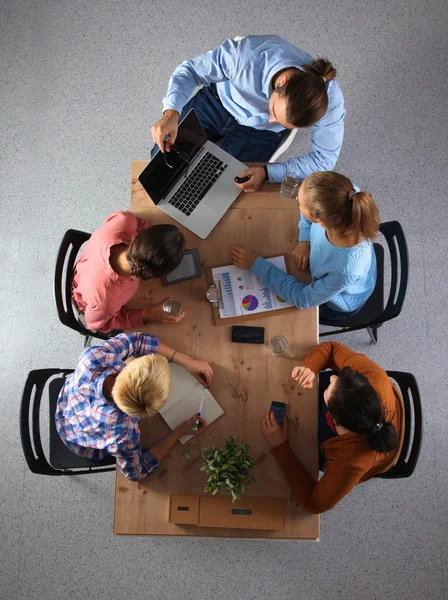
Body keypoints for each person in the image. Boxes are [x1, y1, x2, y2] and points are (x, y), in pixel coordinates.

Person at [151, 35, 345, 193]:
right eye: (274, 112)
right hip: (217, 102)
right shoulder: (245, 57)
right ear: (283, 82)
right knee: (160, 161)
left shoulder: (328, 102)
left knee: (224, 189)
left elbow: (324, 159)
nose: (269, 120)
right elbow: (190, 71)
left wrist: (267, 173)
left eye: (281, 122)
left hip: (260, 134)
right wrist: (171, 114)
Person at [261, 341, 404, 513]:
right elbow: (331, 348)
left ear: (335, 422)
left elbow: (314, 504)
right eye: (340, 378)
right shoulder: (374, 377)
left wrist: (280, 446)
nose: (332, 377)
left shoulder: (351, 462)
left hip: (369, 448)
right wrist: (309, 368)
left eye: (332, 386)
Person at [55, 332, 213, 481]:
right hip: (78, 440)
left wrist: (187, 362)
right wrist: (180, 432)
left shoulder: (93, 359)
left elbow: (136, 340)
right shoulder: (123, 431)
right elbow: (136, 473)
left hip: (66, 405)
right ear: (143, 413)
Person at [232, 171, 379, 320]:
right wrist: (304, 240)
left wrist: (256, 265)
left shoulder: (346, 269)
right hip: (323, 274)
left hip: (338, 303)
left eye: (298, 202)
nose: (296, 199)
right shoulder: (344, 195)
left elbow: (303, 299)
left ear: (321, 221)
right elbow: (310, 204)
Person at [72, 210, 186, 333]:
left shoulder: (125, 221)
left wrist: (157, 248)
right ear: (152, 275)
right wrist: (147, 314)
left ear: (135, 236)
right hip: (90, 308)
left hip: (88, 270)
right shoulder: (106, 302)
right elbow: (97, 326)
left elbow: (138, 222)